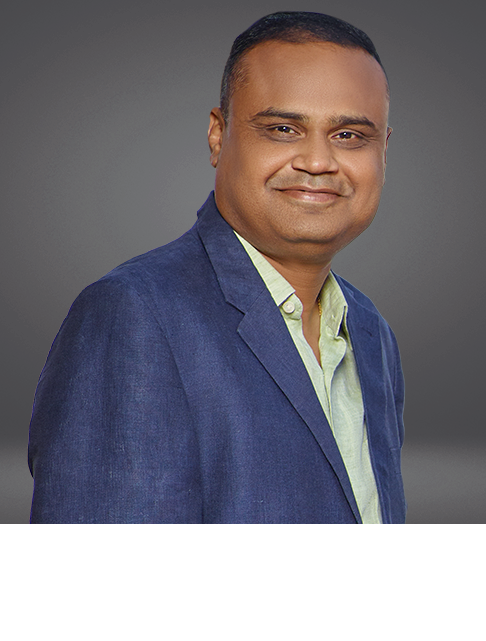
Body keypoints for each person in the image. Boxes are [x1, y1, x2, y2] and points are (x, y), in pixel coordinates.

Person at [29, 11, 406, 523]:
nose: (318, 161)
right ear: (217, 135)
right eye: (283, 129)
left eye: (349, 135)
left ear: (384, 151)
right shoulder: (133, 315)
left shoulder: (370, 332)